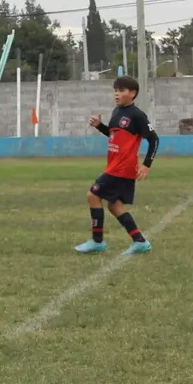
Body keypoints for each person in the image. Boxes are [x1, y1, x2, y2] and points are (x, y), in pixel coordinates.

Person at [76, 75, 158, 256]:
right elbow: (114, 136)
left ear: (132, 93)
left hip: (122, 167)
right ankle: (140, 242)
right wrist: (100, 126)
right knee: (114, 205)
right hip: (115, 165)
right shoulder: (116, 112)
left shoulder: (137, 115)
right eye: (115, 90)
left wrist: (146, 164)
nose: (116, 94)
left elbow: (154, 140)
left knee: (93, 194)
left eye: (121, 91)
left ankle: (97, 242)